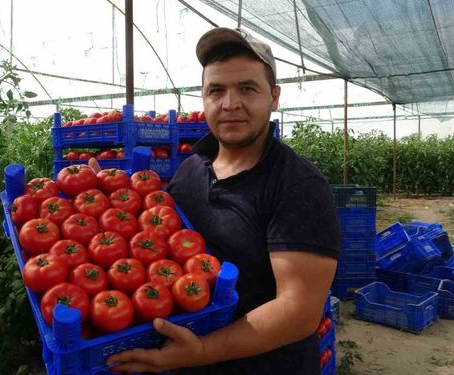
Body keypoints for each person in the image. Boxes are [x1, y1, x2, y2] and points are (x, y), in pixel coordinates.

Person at [102, 27, 341, 374]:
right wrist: (104, 193)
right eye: (216, 90)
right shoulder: (189, 171)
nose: (230, 104)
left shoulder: (297, 185)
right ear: (203, 99)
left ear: (273, 97)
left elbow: (298, 312)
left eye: (247, 88)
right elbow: (154, 246)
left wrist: (200, 350)